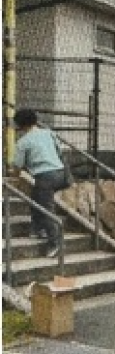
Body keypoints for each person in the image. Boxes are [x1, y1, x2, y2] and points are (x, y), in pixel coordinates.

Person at [10, 109, 65, 258]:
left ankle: (55, 243)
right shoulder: (49, 133)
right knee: (36, 197)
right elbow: (59, 150)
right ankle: (36, 229)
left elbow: (17, 165)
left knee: (46, 208)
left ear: (20, 125)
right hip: (61, 173)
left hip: (45, 176)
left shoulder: (23, 142)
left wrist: (15, 175)